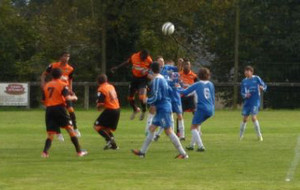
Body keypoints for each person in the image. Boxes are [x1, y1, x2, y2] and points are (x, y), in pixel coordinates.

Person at [131, 62, 188, 159]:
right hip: (162, 108)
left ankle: (183, 154)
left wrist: (147, 100)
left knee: (168, 131)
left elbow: (157, 96)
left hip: (163, 109)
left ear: (151, 70)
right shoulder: (163, 78)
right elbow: (169, 91)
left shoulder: (157, 80)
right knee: (152, 129)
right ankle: (142, 152)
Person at [41, 68, 87, 158]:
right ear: (61, 75)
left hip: (49, 109)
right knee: (70, 129)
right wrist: (74, 97)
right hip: (59, 108)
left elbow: (43, 101)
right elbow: (67, 98)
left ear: (52, 75)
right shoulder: (62, 84)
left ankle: (45, 153)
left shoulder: (46, 85)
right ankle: (79, 152)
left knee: (50, 133)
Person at [41, 52, 81, 138]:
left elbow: (70, 80)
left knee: (71, 110)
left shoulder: (70, 68)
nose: (67, 58)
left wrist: (71, 90)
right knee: (57, 111)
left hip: (65, 90)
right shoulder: (53, 65)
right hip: (56, 91)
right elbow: (44, 74)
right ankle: (58, 132)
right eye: (65, 56)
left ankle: (75, 128)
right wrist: (43, 84)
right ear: (61, 57)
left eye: (68, 56)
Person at [179, 68, 215, 152]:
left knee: (193, 128)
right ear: (208, 75)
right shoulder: (211, 84)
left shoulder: (197, 84)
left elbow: (185, 92)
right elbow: (212, 97)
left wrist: (177, 88)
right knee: (197, 126)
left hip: (201, 108)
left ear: (198, 75)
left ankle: (201, 146)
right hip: (210, 108)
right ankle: (192, 145)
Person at [111, 50, 152, 120]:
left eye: (145, 58)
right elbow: (127, 63)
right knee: (130, 98)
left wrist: (148, 71)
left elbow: (153, 69)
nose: (144, 59)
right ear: (140, 55)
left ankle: (144, 111)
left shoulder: (149, 60)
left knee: (142, 97)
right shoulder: (134, 57)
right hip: (135, 79)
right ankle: (135, 109)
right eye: (143, 58)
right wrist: (117, 67)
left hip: (143, 79)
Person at [152, 60, 186, 141]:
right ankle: (159, 134)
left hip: (175, 95)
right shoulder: (159, 74)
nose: (162, 63)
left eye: (162, 61)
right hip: (167, 96)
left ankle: (182, 135)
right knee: (167, 115)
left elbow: (178, 68)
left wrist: (180, 63)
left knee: (179, 115)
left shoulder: (170, 69)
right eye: (160, 61)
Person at [239, 66, 267, 141]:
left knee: (253, 118)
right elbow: (242, 92)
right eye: (245, 71)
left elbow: (264, 86)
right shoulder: (244, 81)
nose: (246, 72)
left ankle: (259, 136)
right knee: (245, 119)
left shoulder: (257, 78)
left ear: (251, 72)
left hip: (255, 101)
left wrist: (262, 88)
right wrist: (245, 95)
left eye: (248, 71)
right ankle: (240, 136)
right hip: (247, 102)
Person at [93, 74, 121, 150]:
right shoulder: (111, 86)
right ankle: (114, 146)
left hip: (110, 110)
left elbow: (101, 104)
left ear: (98, 81)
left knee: (97, 126)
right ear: (106, 80)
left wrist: (98, 107)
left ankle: (109, 140)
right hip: (117, 109)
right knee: (106, 129)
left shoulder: (101, 89)